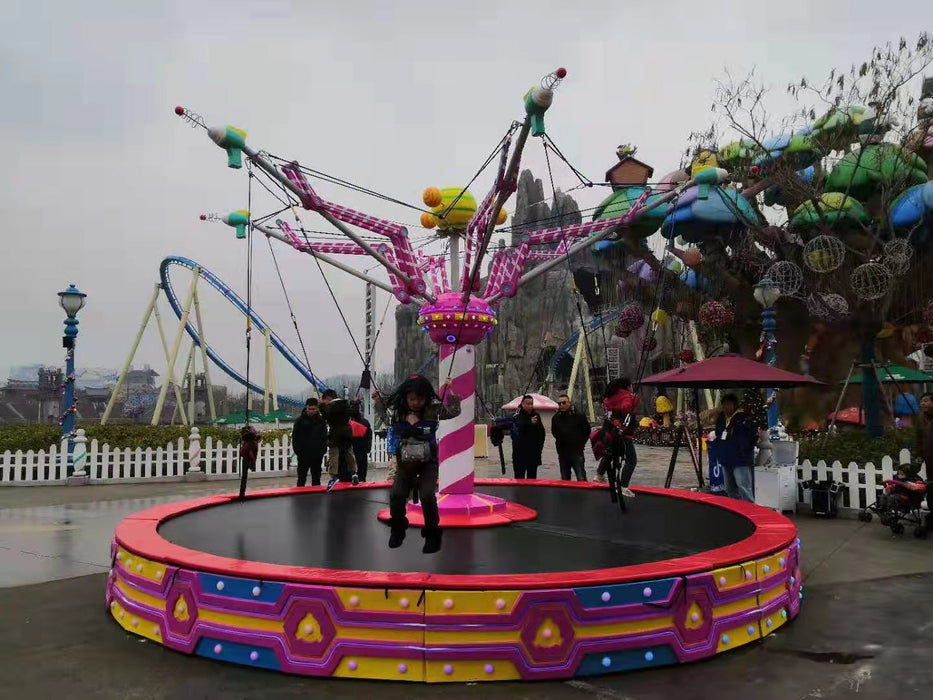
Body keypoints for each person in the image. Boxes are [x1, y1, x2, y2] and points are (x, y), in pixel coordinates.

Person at [385, 375, 460, 554]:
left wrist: (451, 392)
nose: (416, 403)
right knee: (396, 494)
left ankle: (432, 535)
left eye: (420, 399)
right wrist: (377, 401)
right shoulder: (398, 412)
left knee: (427, 495)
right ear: (405, 398)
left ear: (426, 397)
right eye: (412, 399)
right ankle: (398, 529)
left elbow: (453, 411)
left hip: (428, 462)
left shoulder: (432, 410)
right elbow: (383, 410)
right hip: (405, 463)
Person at [594, 377, 640, 497]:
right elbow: (626, 409)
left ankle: (599, 474)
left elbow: (612, 410)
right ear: (627, 387)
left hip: (612, 431)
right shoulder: (626, 397)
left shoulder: (612, 398)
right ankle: (623, 486)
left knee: (611, 453)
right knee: (631, 460)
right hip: (624, 433)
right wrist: (633, 400)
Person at [710, 393, 757, 502]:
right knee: (729, 488)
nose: (726, 407)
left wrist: (743, 450)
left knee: (743, 487)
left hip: (740, 459)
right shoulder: (721, 418)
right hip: (726, 458)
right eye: (724, 404)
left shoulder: (743, 419)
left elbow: (750, 437)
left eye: (729, 404)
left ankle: (750, 510)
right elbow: (718, 434)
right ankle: (736, 510)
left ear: (735, 405)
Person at [907, 391, 933, 528]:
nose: (923, 403)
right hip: (930, 461)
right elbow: (918, 439)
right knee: (930, 488)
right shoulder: (920, 418)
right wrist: (918, 455)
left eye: (927, 401)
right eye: (922, 401)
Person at [551, 394, 590, 481]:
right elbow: (554, 432)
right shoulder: (556, 417)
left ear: (569, 403)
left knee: (581, 477)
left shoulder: (579, 415)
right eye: (559, 403)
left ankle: (583, 494)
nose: (561, 405)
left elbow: (587, 431)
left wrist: (580, 443)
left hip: (577, 451)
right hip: (563, 452)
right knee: (565, 478)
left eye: (564, 403)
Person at [323, 397, 359, 491]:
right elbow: (355, 413)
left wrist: (322, 405)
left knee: (334, 454)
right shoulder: (346, 408)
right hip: (347, 432)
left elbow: (325, 415)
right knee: (349, 452)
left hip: (335, 433)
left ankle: (334, 475)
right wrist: (355, 403)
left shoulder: (331, 409)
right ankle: (354, 472)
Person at [291, 398, 328, 487]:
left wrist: (322, 450)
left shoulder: (321, 421)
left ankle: (316, 497)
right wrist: (298, 451)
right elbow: (295, 436)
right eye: (309, 409)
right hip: (303, 454)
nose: (311, 411)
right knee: (301, 478)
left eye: (313, 409)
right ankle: (299, 496)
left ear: (317, 409)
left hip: (317, 454)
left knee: (316, 478)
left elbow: (324, 437)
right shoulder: (300, 421)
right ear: (306, 408)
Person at [511, 395, 546, 479]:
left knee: (532, 478)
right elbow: (516, 428)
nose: (530, 406)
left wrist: (539, 448)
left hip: (533, 454)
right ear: (522, 404)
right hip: (519, 454)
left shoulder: (536, 415)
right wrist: (529, 422)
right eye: (528, 404)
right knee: (519, 478)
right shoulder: (517, 415)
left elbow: (542, 433)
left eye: (531, 404)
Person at [348, 401, 373, 483]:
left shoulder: (349, 423)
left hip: (356, 448)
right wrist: (368, 446)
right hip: (360, 448)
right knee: (361, 467)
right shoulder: (364, 422)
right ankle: (361, 479)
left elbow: (369, 435)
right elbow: (369, 435)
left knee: (356, 467)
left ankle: (357, 478)